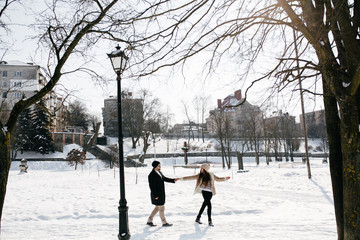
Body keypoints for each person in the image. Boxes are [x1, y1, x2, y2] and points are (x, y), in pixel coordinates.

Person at [147, 160, 179, 227]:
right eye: (158, 165)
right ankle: (164, 222)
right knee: (161, 207)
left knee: (157, 208)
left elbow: (164, 178)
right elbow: (151, 186)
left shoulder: (159, 172)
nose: (160, 166)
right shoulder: (151, 175)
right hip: (156, 195)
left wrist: (173, 180)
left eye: (160, 165)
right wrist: (155, 195)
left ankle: (149, 221)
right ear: (155, 166)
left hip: (161, 193)